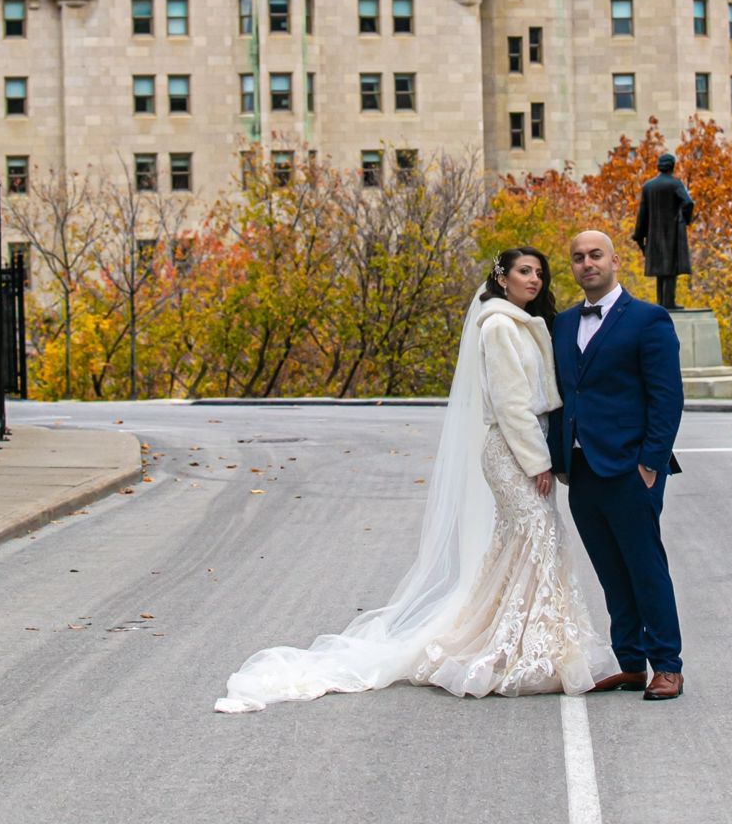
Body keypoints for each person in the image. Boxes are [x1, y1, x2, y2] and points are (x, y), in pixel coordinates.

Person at [215, 247, 613, 712]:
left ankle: (524, 639)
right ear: (502, 278)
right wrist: (536, 462)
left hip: (525, 448)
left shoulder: (523, 324)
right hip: (513, 452)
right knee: (538, 538)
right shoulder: (501, 325)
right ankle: (519, 644)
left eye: (540, 273)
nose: (535, 280)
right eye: (525, 272)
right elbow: (509, 404)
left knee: (524, 544)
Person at [550, 230, 686, 701]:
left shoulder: (649, 319)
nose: (587, 263)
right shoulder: (563, 324)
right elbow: (563, 397)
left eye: (595, 255)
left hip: (632, 469)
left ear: (614, 261)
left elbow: (667, 398)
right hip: (582, 470)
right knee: (610, 571)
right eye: (577, 257)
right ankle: (630, 662)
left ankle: (667, 664)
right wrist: (559, 457)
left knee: (645, 567)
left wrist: (649, 463)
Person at [632, 152, 694, 309]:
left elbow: (642, 214)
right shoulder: (675, 184)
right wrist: (683, 219)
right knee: (670, 270)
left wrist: (639, 235)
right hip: (672, 233)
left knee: (662, 271)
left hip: (654, 236)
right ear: (672, 166)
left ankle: (663, 302)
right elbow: (688, 203)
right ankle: (667, 303)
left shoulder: (648, 186)